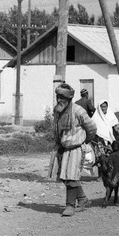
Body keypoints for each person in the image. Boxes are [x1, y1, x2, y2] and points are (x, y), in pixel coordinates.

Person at [52, 83, 97, 217]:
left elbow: (92, 128)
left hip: (76, 149)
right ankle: (83, 199)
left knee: (71, 176)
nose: (60, 100)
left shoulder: (78, 111)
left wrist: (84, 141)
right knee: (65, 177)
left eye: (63, 97)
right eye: (58, 96)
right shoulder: (57, 111)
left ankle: (70, 205)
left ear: (70, 98)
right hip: (62, 148)